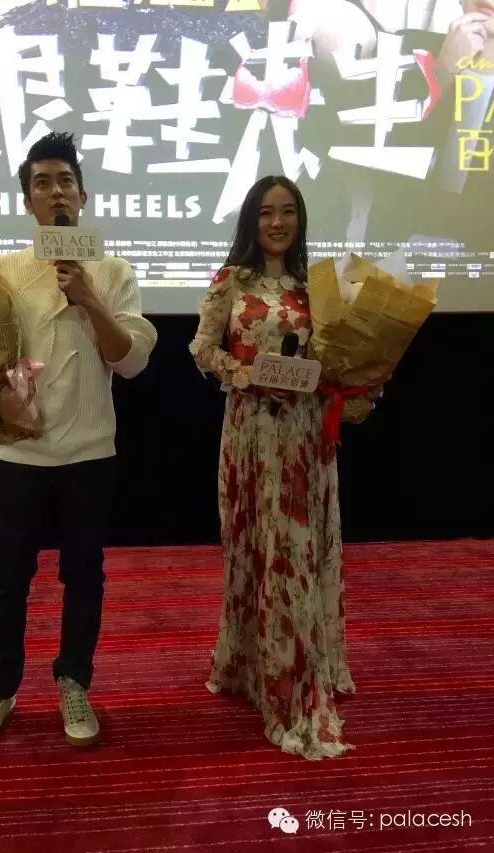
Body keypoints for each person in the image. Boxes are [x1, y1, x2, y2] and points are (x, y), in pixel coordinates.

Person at [0, 131, 157, 749]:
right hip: (18, 448)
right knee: (8, 576)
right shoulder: (4, 272)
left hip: (89, 450)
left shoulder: (113, 272)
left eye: (65, 181)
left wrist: (88, 296)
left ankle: (74, 681)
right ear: (28, 202)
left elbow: (131, 361)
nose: (55, 192)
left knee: (84, 574)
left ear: (83, 197)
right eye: (42, 183)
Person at [190, 176, 371, 761]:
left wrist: (358, 385)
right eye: (266, 212)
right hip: (250, 432)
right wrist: (242, 374)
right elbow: (202, 349)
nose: (277, 222)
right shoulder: (231, 281)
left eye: (287, 212)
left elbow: (335, 361)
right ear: (251, 219)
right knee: (255, 548)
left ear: (299, 220)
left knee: (296, 550)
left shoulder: (315, 287)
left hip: (302, 437)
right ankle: (251, 666)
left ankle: (294, 674)